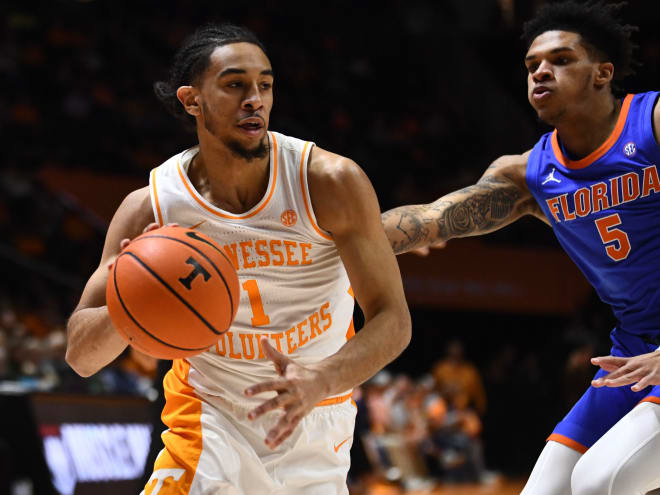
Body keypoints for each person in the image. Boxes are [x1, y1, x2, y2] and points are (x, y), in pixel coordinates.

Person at [65, 23, 411, 495]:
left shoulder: (329, 182)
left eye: (265, 85)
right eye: (234, 85)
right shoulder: (152, 207)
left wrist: (322, 377)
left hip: (315, 413)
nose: (255, 100)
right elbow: (81, 357)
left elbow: (393, 320)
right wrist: (134, 303)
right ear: (192, 100)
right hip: (208, 418)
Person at [382, 2, 660, 494]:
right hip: (633, 353)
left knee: (600, 482)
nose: (541, 72)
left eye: (560, 60)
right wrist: (329, 239)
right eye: (532, 65)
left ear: (603, 73)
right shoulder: (529, 174)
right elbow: (432, 219)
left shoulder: (652, 122)